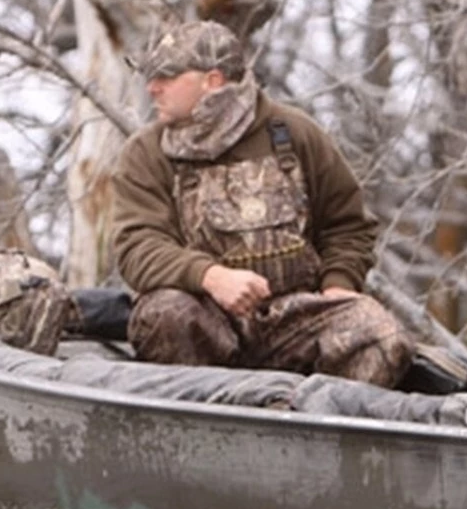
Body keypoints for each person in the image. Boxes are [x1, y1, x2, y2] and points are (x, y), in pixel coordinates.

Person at [111, 20, 413, 387]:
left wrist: (338, 284)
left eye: (167, 77)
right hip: (205, 319)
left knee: (380, 334)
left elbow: (348, 227)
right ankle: (197, 421)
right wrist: (211, 277)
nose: (152, 88)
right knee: (165, 314)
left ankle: (321, 420)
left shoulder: (294, 134)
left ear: (213, 81)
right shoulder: (146, 153)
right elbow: (137, 247)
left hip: (295, 319)